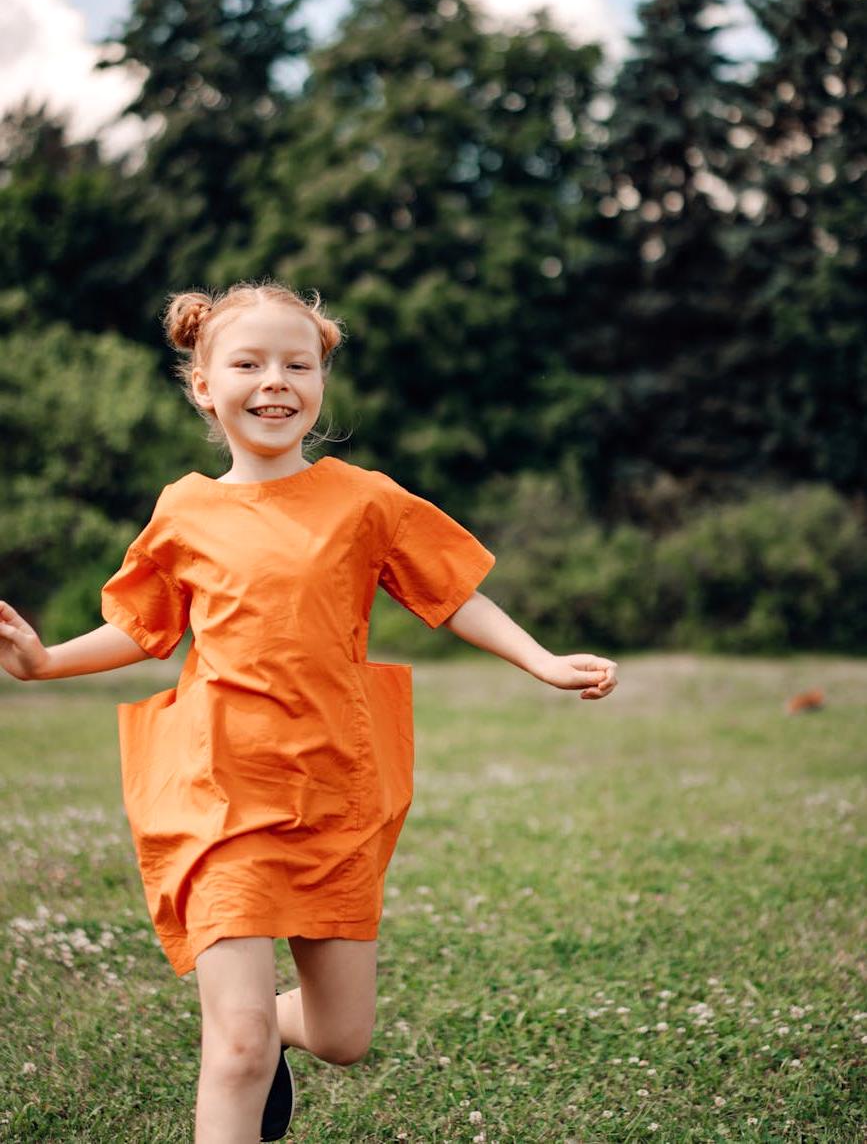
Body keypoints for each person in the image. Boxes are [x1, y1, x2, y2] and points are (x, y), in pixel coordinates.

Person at [0, 279, 618, 1144]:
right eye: (247, 363)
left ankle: (270, 1035)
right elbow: (140, 628)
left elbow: (452, 592)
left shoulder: (362, 500)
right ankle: (245, 1041)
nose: (275, 381)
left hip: (333, 790)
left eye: (298, 363)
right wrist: (43, 663)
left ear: (321, 381)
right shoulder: (185, 508)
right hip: (218, 794)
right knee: (238, 1044)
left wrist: (541, 659)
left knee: (342, 1036)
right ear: (204, 386)